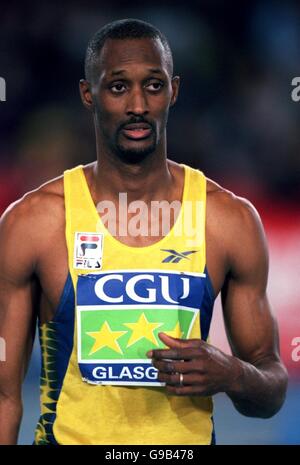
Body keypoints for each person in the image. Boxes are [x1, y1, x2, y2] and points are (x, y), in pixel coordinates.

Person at [0, 18, 288, 445]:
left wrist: (233, 374)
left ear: (174, 90)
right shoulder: (35, 222)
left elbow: (269, 389)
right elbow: (5, 396)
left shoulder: (228, 221)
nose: (138, 104)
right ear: (88, 94)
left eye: (153, 86)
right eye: (118, 87)